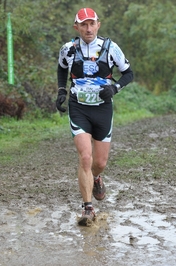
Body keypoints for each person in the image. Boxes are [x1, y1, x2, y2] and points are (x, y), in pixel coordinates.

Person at [55, 7, 133, 226]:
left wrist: (115, 88)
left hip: (102, 108)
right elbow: (61, 69)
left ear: (98, 25)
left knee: (99, 162)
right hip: (78, 107)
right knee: (85, 158)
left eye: (92, 24)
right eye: (84, 24)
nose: (88, 28)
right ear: (76, 27)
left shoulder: (110, 47)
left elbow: (129, 73)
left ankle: (96, 178)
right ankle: (88, 208)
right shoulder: (68, 49)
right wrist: (62, 91)